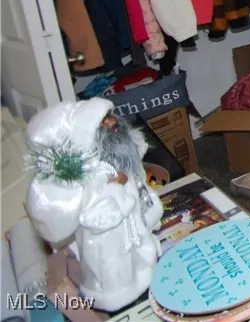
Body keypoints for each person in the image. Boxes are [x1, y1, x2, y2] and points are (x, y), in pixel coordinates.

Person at [24, 98, 164, 311]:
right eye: (102, 123)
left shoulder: (118, 159)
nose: (111, 123)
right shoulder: (90, 184)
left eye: (110, 116)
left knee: (141, 262)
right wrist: (125, 201)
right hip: (110, 248)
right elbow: (97, 218)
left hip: (135, 234)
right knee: (118, 277)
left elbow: (136, 176)